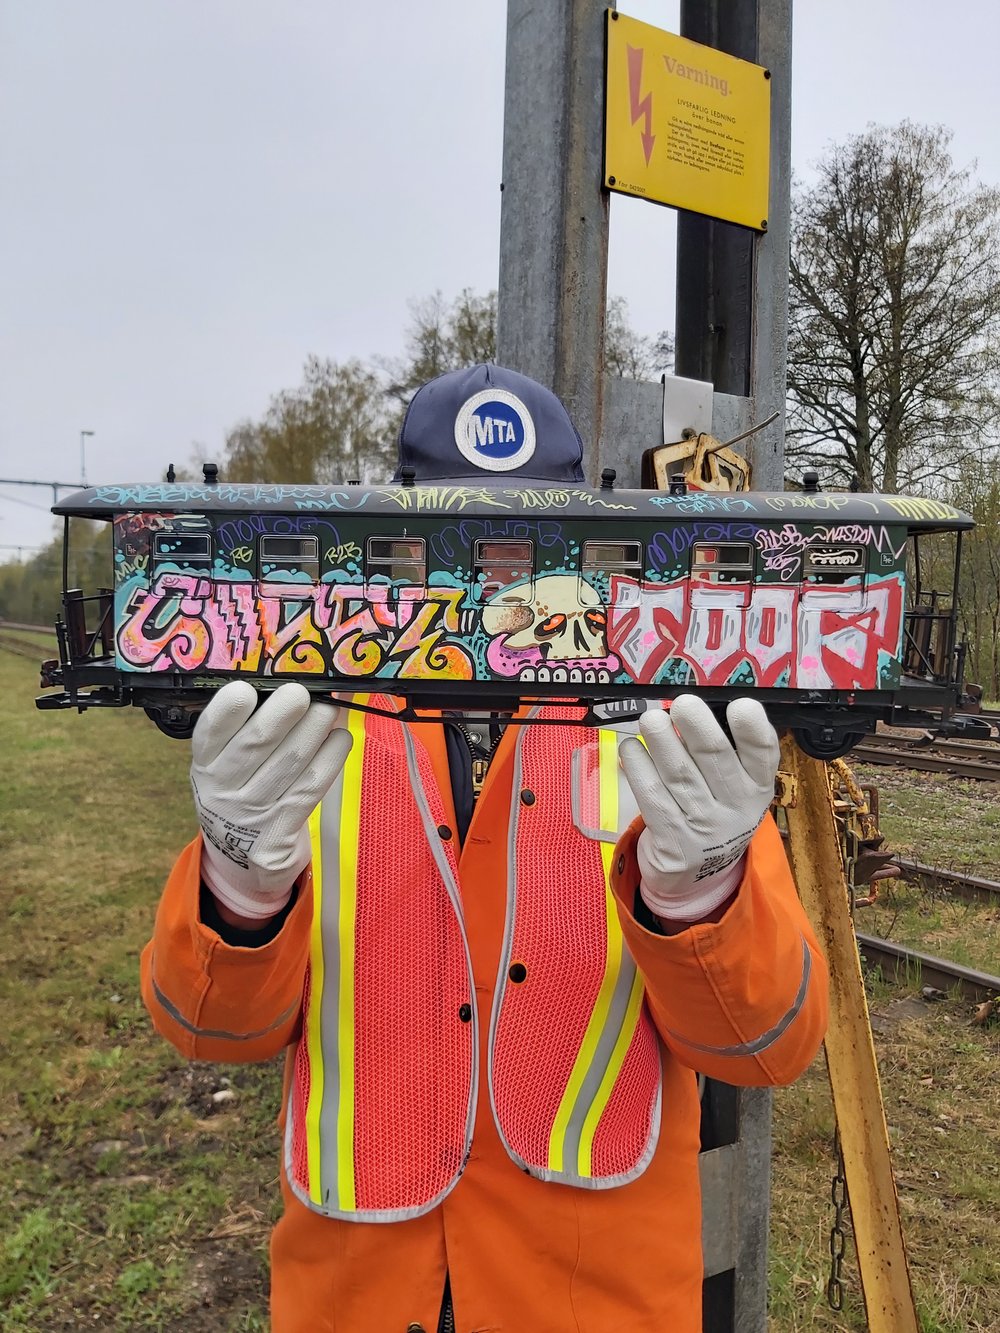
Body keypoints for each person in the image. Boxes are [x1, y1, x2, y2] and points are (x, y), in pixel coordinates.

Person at [141, 364, 828, 1333]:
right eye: (453, 541)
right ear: (393, 553)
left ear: (584, 551)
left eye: (532, 540)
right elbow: (210, 1034)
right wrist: (237, 886)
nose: (496, 567)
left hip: (599, 1295)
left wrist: (701, 890)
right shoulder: (301, 723)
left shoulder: (658, 725)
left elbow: (765, 1046)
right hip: (360, 1289)